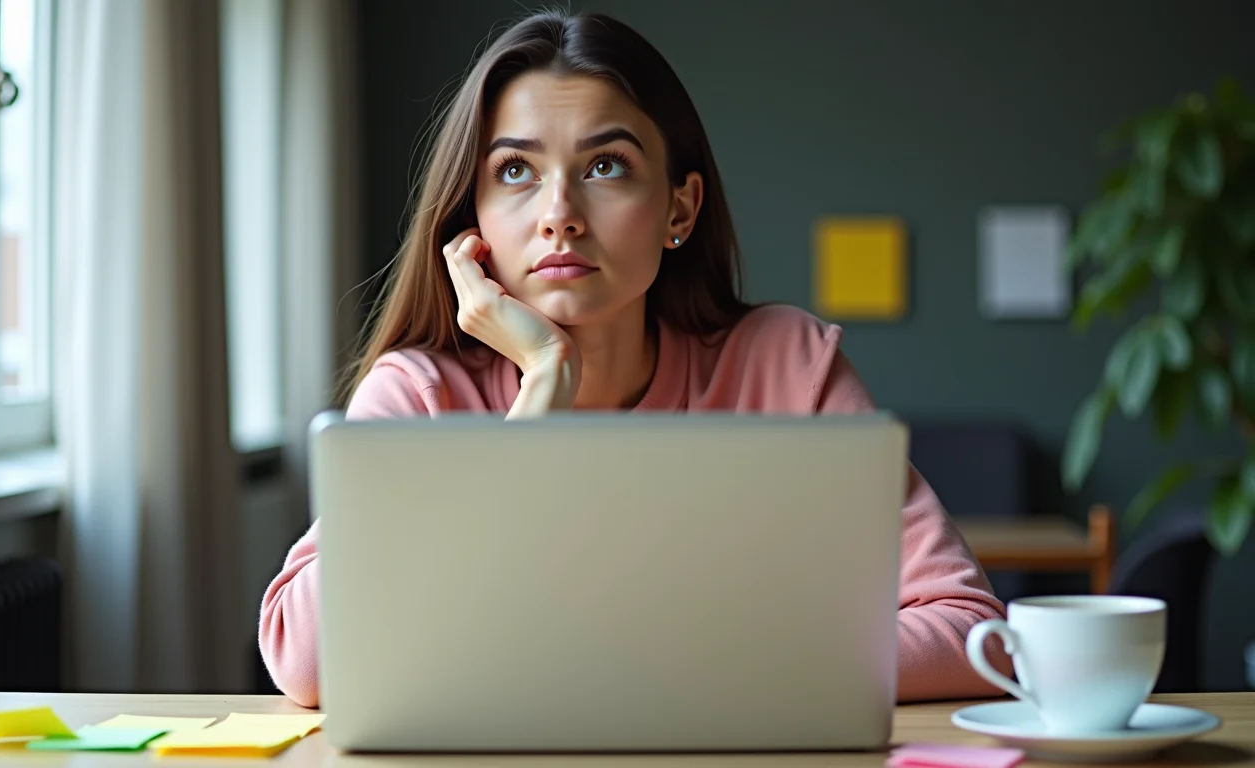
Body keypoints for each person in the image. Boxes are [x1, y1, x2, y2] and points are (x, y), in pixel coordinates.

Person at [260, 9, 1010, 709]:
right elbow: (305, 658)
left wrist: (704, 670)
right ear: (473, 218)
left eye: (606, 166)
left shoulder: (785, 366)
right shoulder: (420, 396)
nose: (559, 215)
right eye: (516, 172)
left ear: (680, 208)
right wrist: (541, 391)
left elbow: (974, 631)